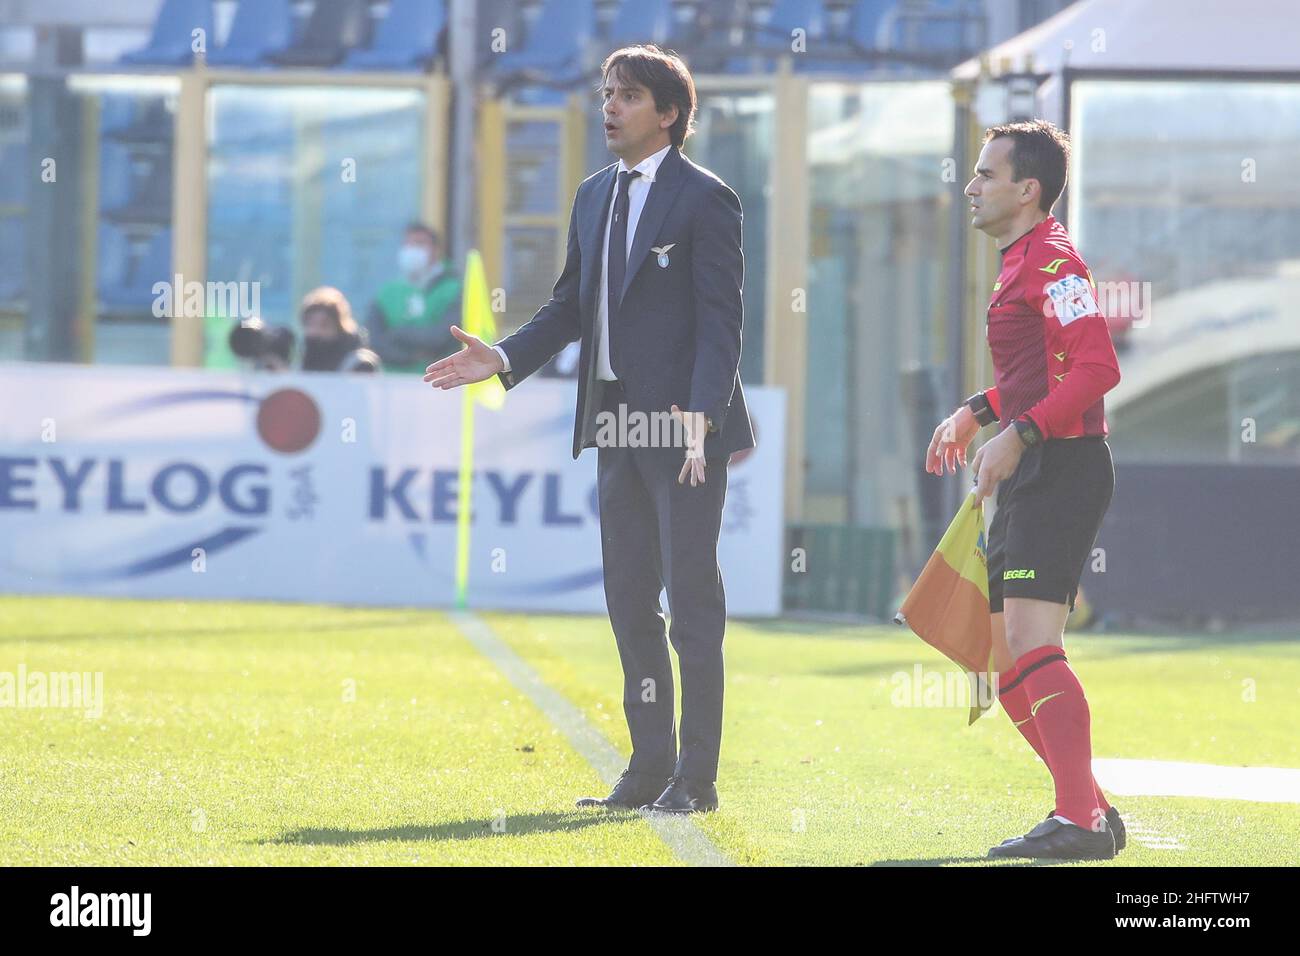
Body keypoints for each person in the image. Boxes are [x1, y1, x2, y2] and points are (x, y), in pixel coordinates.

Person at [425, 44, 754, 814]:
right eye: (606, 93)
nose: (609, 107)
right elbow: (570, 308)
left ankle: (696, 779)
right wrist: (503, 356)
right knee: (630, 596)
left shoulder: (709, 199)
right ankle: (647, 768)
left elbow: (721, 321)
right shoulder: (592, 195)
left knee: (692, 603)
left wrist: (703, 418)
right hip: (614, 425)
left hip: (681, 430)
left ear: (668, 114)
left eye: (628, 95)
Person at [926, 120, 1123, 860]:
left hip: (1064, 469)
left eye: (985, 173)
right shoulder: (1023, 262)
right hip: (1038, 465)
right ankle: (1091, 808)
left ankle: (1078, 822)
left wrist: (1019, 435)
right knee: (1007, 661)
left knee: (1034, 643)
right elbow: (1039, 375)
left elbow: (1097, 372)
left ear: (1027, 189)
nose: (971, 186)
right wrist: (979, 414)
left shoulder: (1056, 266)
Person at [366, 223, 463, 373]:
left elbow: (442, 337)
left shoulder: (454, 290)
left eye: (419, 243)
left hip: (441, 382)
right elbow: (376, 342)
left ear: (436, 250)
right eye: (408, 244)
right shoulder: (387, 293)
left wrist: (398, 333)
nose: (412, 250)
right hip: (393, 383)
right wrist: (411, 358)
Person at [299, 286, 380, 373]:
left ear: (339, 327)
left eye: (324, 325)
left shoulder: (359, 364)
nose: (316, 331)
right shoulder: (304, 360)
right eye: (310, 324)